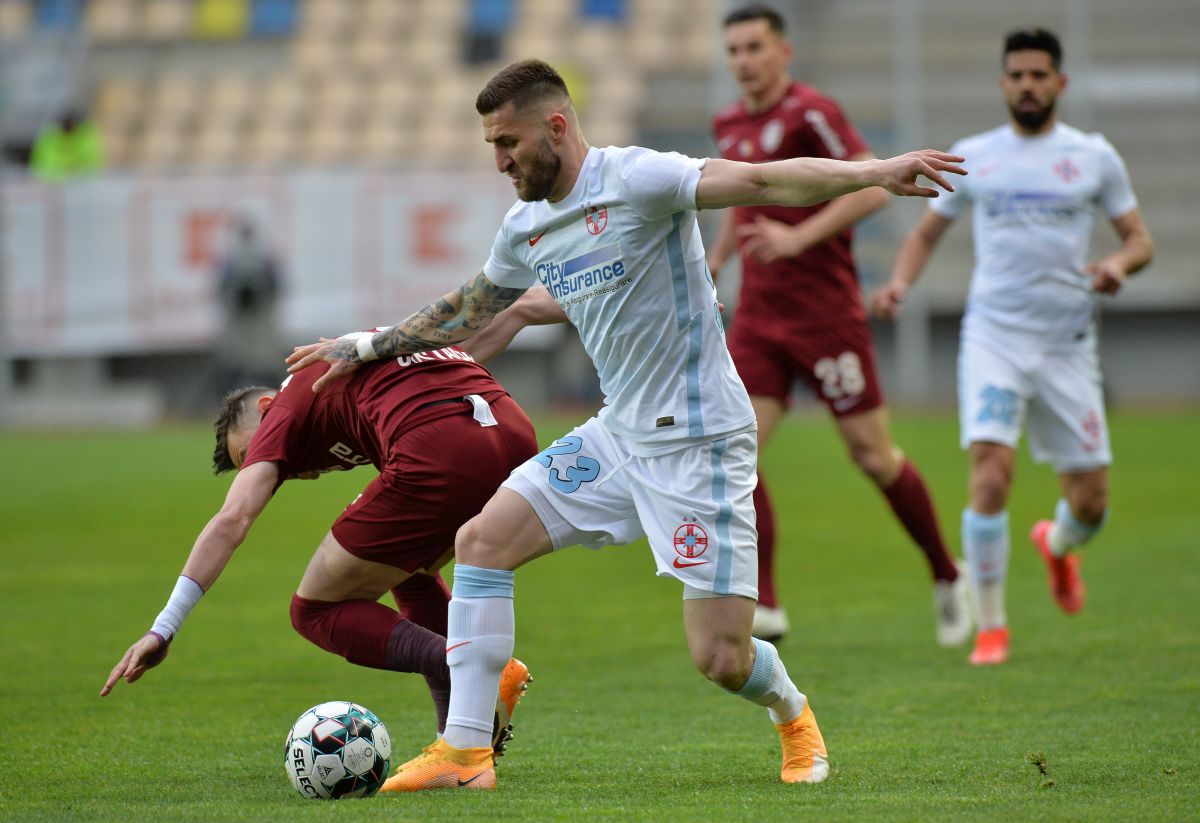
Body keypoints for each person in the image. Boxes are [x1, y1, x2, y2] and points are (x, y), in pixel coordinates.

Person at [287, 59, 964, 789]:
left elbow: (763, 182)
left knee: (721, 658)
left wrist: (875, 172)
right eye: (490, 145)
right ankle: (466, 752)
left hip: (701, 442)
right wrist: (367, 345)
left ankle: (793, 711)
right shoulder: (526, 226)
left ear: (557, 126)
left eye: (507, 142)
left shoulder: (640, 178)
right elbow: (468, 307)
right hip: (619, 436)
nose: (499, 161)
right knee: (480, 540)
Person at [100, 330, 540, 779]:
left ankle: (475, 672)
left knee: (314, 608)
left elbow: (233, 519)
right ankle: (460, 745)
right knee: (407, 568)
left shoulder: (289, 401)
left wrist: (164, 628)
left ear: (266, 410)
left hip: (438, 445)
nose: (275, 470)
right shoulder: (351, 365)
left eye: (250, 456)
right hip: (516, 436)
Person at [871, 28, 1153, 666]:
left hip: (1067, 344)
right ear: (1003, 84)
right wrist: (897, 283)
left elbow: (1140, 240)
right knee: (990, 473)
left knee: (1092, 503)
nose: (1027, 85)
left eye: (1039, 75)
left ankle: (1056, 543)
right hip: (995, 337)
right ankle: (992, 628)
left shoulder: (1093, 156)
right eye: (1017, 75)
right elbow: (923, 236)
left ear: (1060, 83)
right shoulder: (977, 156)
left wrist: (1118, 266)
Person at [706, 4, 967, 646]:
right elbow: (740, 203)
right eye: (734, 50)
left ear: (783, 52)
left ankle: (946, 573)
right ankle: (766, 602)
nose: (743, 61)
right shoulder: (730, 122)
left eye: (754, 48)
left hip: (826, 318)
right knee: (734, 453)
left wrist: (798, 242)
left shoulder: (810, 112)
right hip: (761, 320)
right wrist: (714, 263)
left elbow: (875, 186)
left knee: (873, 456)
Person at [213, 216, 286, 394]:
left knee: (262, 359)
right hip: (241, 318)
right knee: (239, 359)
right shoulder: (258, 258)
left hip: (258, 317)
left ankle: (273, 393)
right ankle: (233, 395)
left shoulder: (238, 259)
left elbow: (222, 287)